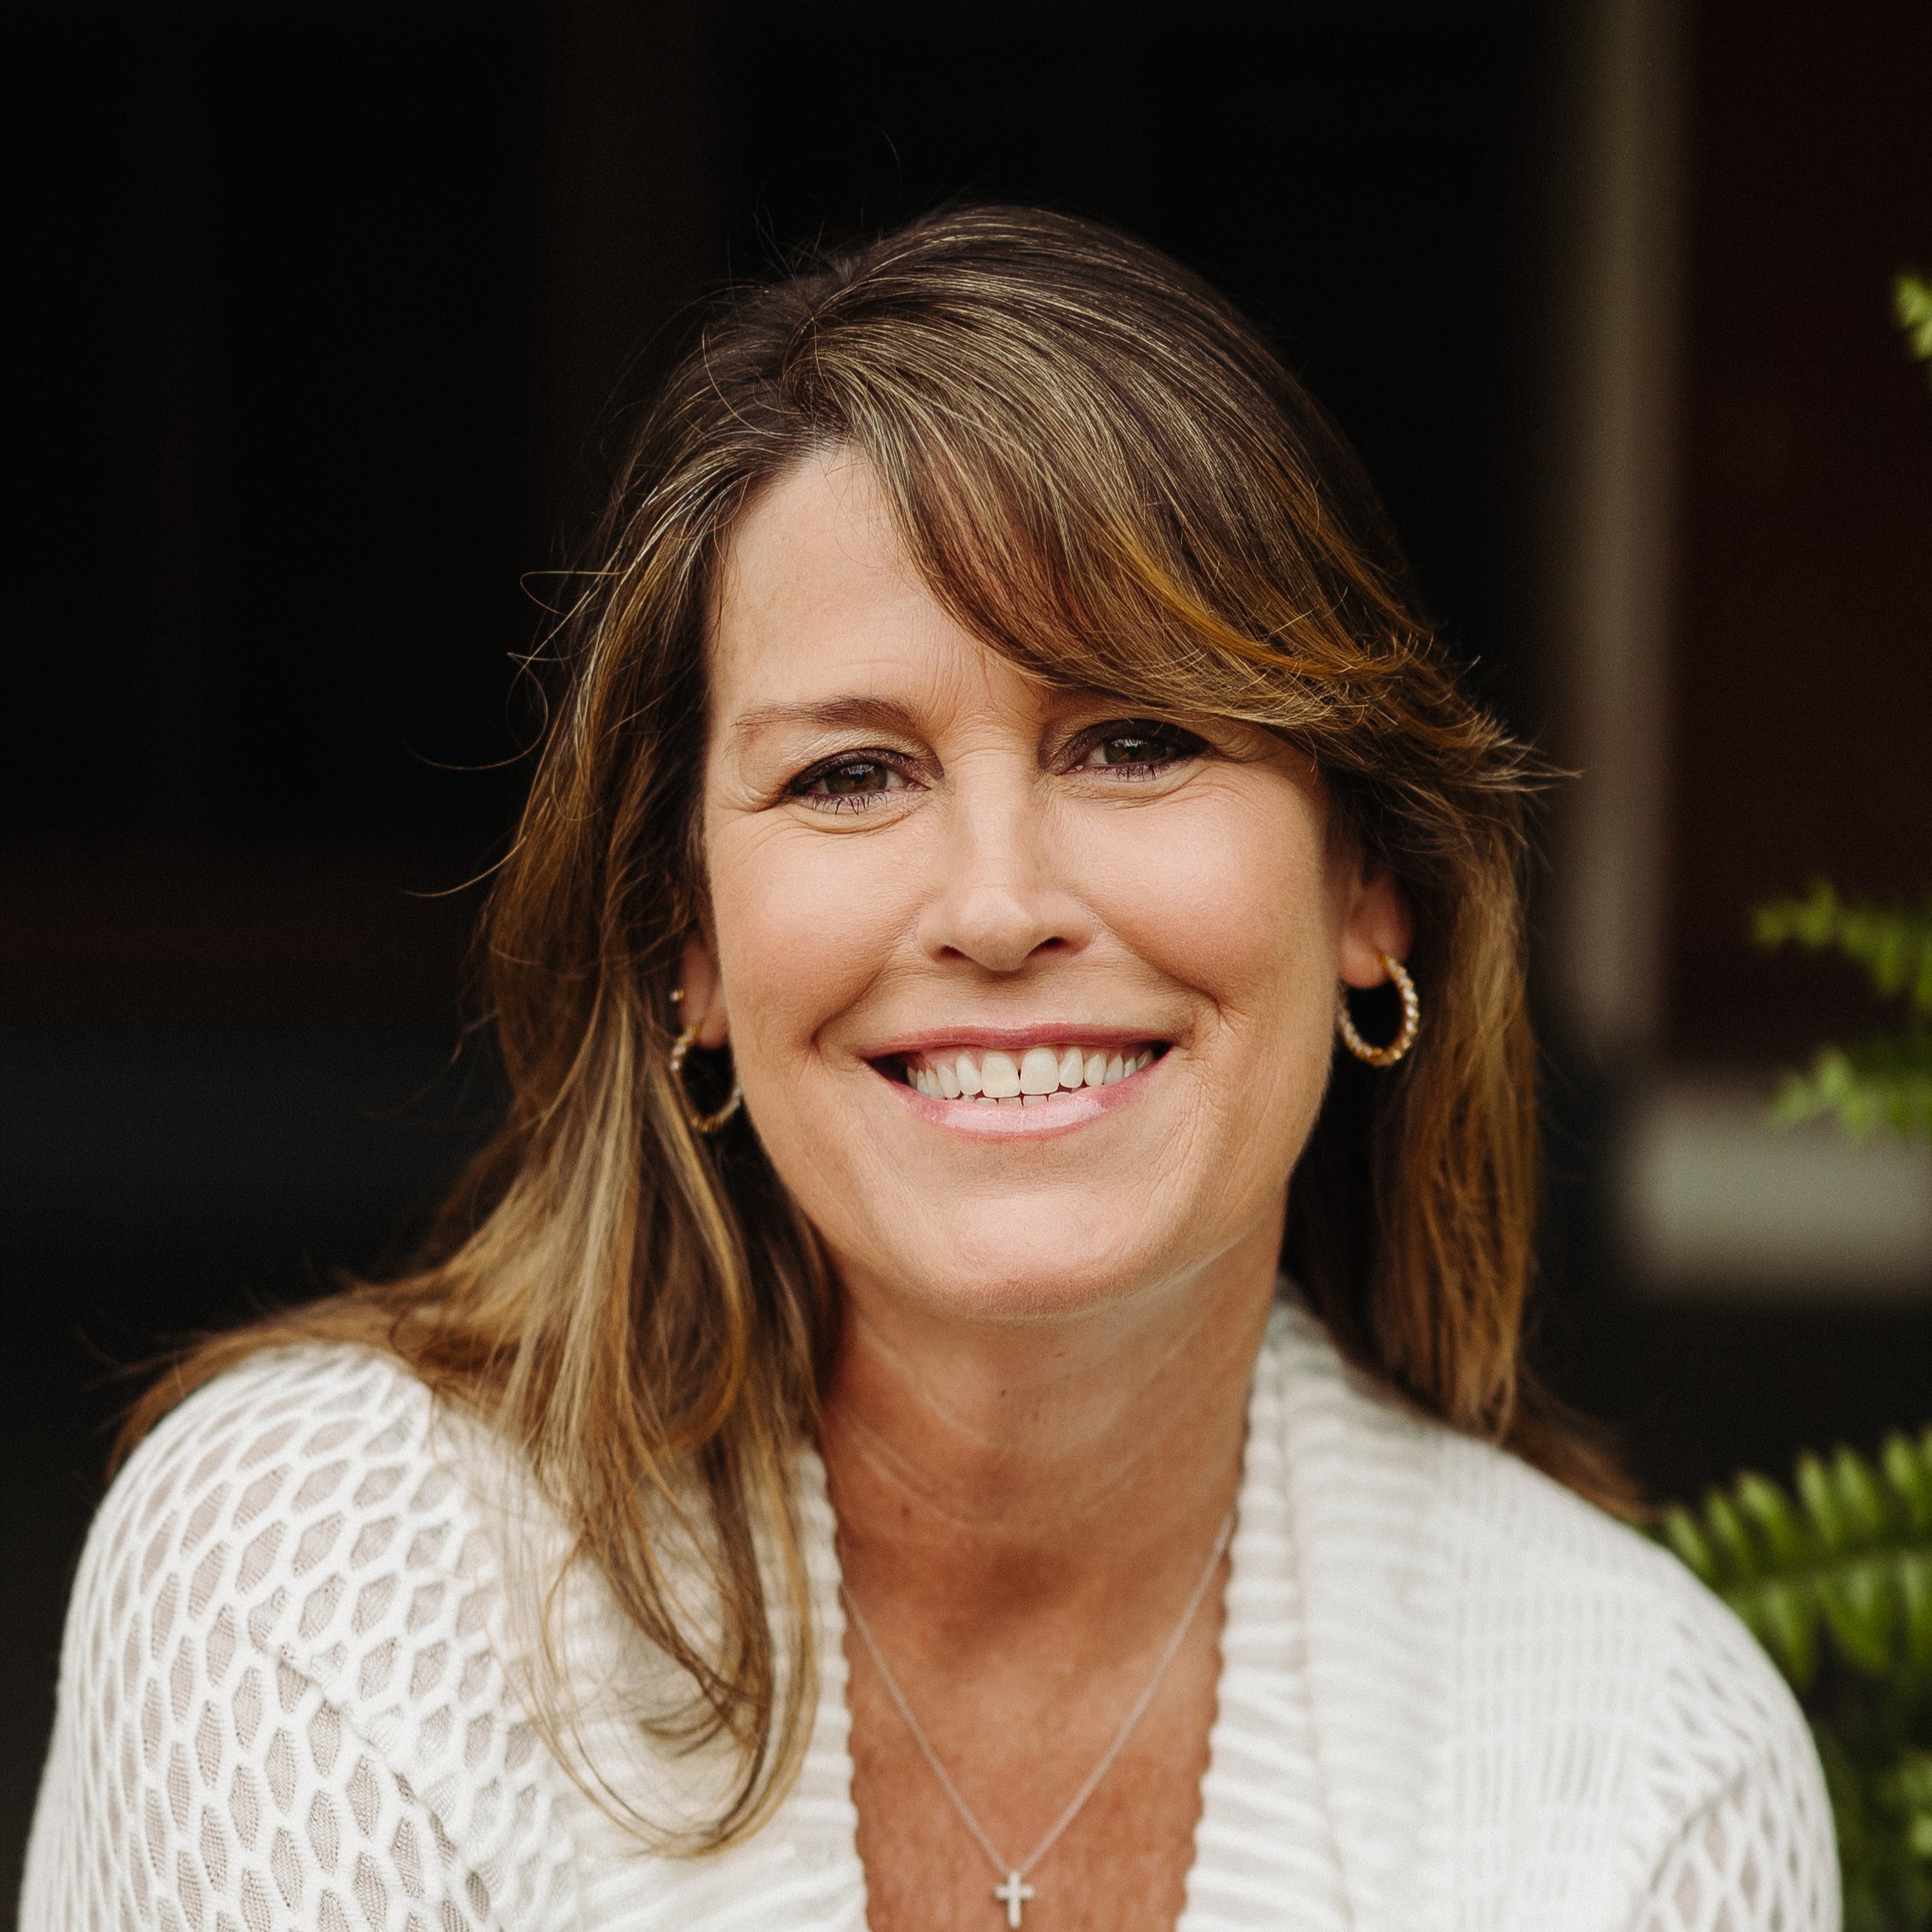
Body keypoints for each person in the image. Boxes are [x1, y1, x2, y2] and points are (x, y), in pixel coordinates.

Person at [23, 207, 1834, 1932]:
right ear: (694, 948)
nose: (994, 902)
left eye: (1134, 741)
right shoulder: (310, 1593)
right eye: (849, 775)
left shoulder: (1642, 1759)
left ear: (1372, 883)